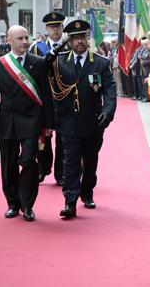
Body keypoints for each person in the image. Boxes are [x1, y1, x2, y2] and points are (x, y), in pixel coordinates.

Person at [47, 19, 117, 219]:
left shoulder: (101, 62)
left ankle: (87, 192)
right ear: (69, 41)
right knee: (70, 162)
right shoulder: (59, 61)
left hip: (93, 122)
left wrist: (109, 111)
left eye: (82, 37)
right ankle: (70, 201)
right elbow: (46, 74)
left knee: (90, 161)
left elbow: (110, 90)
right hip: (68, 122)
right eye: (75, 38)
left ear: (88, 39)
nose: (79, 42)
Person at [0, 25, 53, 222]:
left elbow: (46, 95)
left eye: (26, 38)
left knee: (29, 162)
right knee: (8, 165)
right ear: (9, 41)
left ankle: (27, 204)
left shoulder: (38, 63)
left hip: (32, 121)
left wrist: (48, 124)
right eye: (20, 39)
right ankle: (12, 203)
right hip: (7, 121)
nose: (25, 42)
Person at [30, 12, 69, 186]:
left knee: (63, 139)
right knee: (43, 139)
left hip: (64, 100)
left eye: (58, 26)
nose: (55, 30)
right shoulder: (37, 48)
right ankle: (42, 169)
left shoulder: (70, 47)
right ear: (46, 29)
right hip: (44, 100)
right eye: (52, 27)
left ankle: (60, 173)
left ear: (62, 28)